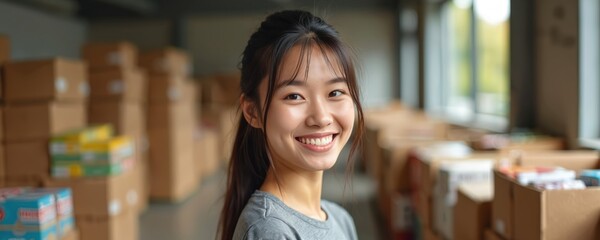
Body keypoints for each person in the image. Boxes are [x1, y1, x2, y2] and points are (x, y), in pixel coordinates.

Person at [218, 9, 365, 240]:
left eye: (335, 92)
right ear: (252, 111)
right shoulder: (269, 230)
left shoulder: (340, 219)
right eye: (294, 96)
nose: (321, 117)